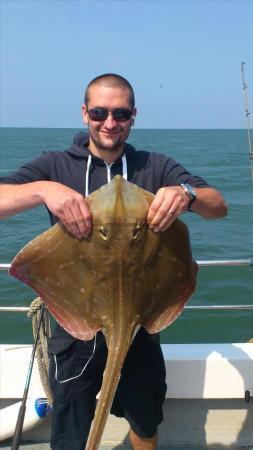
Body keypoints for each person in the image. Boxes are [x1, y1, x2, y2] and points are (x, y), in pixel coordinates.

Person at [0, 73, 227, 450]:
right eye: (100, 112)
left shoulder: (155, 166)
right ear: (85, 112)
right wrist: (43, 189)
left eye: (120, 113)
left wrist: (186, 194)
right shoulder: (56, 165)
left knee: (145, 411)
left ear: (133, 116)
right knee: (72, 419)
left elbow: (218, 206)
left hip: (140, 317)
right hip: (74, 320)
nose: (110, 122)